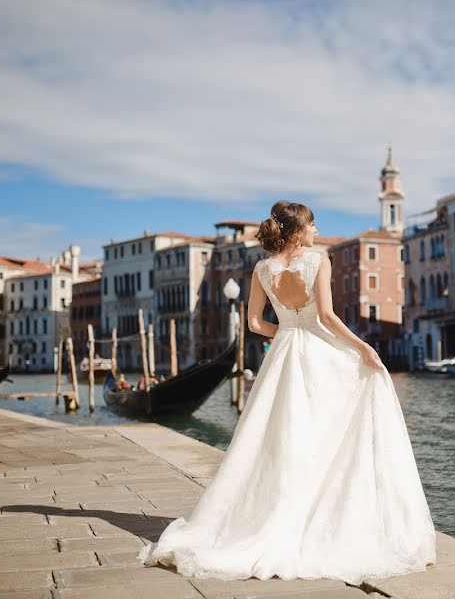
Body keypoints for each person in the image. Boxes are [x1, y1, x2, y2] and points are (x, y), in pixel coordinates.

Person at [139, 201, 436, 584]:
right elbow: (327, 317)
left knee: (280, 436)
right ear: (297, 231)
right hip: (317, 351)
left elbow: (254, 323)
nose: (315, 231)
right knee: (329, 431)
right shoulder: (318, 260)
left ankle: (278, 515)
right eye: (311, 225)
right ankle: (322, 516)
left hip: (283, 354)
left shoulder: (262, 269)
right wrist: (363, 347)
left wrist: (289, 333)